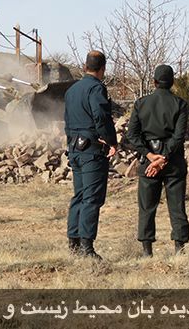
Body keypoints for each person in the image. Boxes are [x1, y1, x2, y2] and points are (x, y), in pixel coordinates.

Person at [126, 65, 189, 256]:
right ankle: (179, 250)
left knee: (147, 207)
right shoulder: (180, 104)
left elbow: (132, 135)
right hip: (174, 162)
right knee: (177, 206)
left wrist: (150, 156)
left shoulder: (141, 104)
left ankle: (147, 252)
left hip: (149, 162)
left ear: (154, 82)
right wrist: (164, 157)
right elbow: (179, 137)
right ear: (172, 82)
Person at [64, 50, 117, 260]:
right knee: (92, 198)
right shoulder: (96, 88)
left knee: (79, 195)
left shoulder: (72, 90)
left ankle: (74, 242)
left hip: (74, 148)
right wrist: (111, 141)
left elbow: (67, 120)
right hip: (92, 151)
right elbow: (101, 117)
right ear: (103, 68)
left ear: (85, 66)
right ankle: (87, 247)